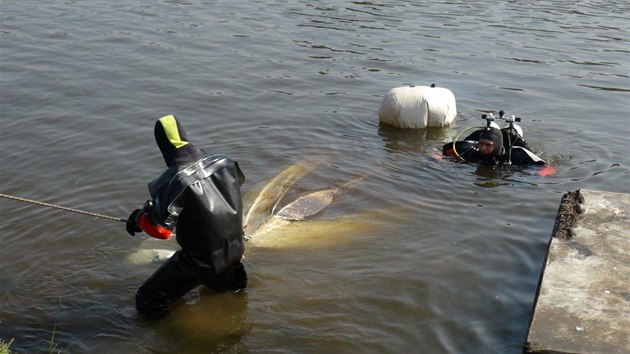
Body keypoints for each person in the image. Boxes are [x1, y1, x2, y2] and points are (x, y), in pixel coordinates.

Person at [126, 114, 247, 320]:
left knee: (148, 298)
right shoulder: (224, 161)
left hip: (201, 261)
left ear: (162, 145)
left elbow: (161, 231)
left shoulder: (174, 179)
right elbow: (237, 185)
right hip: (235, 250)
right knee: (227, 295)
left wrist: (139, 219)